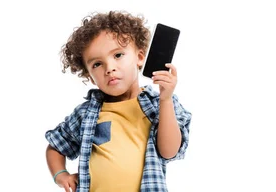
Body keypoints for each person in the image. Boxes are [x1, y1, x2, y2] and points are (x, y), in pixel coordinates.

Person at [44, 10, 192, 192]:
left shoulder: (158, 104)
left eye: (118, 55)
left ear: (139, 57)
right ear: (90, 77)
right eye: (97, 64)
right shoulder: (86, 113)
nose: (109, 68)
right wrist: (60, 175)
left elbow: (169, 152)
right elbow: (56, 146)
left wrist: (166, 99)